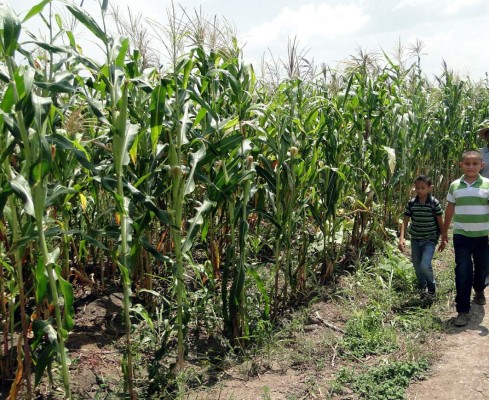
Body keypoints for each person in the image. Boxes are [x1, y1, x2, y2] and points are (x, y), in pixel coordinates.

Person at [442, 150, 489, 327]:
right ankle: (462, 310)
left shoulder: (487, 185)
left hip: (483, 236)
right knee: (462, 270)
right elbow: (449, 209)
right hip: (461, 235)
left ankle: (479, 289)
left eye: (474, 164)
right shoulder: (455, 186)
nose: (471, 167)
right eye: (467, 164)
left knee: (483, 267)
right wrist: (445, 232)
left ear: (481, 166)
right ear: (461, 165)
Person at [399, 175, 444, 301]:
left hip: (430, 239)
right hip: (415, 238)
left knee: (424, 264)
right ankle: (422, 288)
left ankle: (431, 288)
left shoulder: (434, 203)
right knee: (417, 266)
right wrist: (401, 238)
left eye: (423, 188)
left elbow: (440, 222)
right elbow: (405, 221)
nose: (419, 190)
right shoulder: (412, 204)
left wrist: (444, 238)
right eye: (417, 188)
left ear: (430, 188)